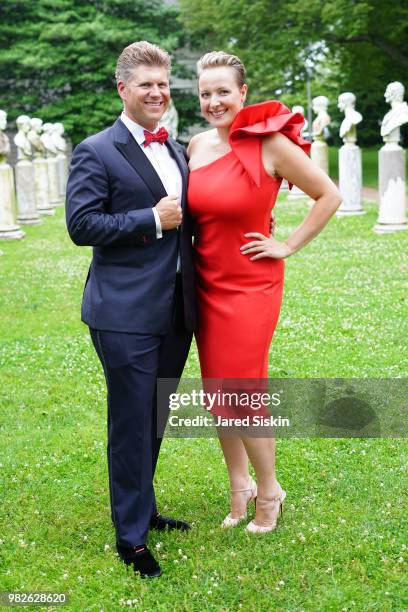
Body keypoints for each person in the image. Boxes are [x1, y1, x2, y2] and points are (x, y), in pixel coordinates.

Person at [187, 51, 341, 533]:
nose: (214, 101)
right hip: (205, 281)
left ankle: (270, 489)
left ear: (243, 94)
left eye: (223, 92)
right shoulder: (194, 146)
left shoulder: (269, 144)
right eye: (206, 93)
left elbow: (328, 195)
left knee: (243, 391)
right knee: (218, 391)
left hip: (251, 285)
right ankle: (239, 487)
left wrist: (287, 244)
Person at [66, 41, 197, 579]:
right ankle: (131, 537)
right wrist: (150, 218)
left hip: (175, 311)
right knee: (130, 422)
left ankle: (144, 508)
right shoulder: (96, 150)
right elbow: (81, 225)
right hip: (122, 313)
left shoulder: (180, 149)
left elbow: (192, 218)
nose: (157, 93)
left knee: (156, 417)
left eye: (163, 84)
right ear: (123, 89)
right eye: (146, 84)